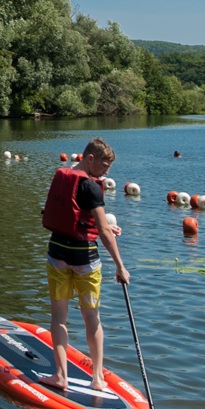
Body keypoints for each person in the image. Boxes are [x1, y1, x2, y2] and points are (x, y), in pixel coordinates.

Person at [38, 138, 130, 394]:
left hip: (57, 256)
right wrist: (120, 266)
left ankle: (60, 376)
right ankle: (98, 379)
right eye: (105, 164)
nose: (107, 172)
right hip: (85, 262)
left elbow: (66, 214)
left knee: (59, 317)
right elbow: (102, 230)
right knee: (92, 318)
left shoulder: (61, 176)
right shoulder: (91, 186)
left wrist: (101, 226)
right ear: (90, 158)